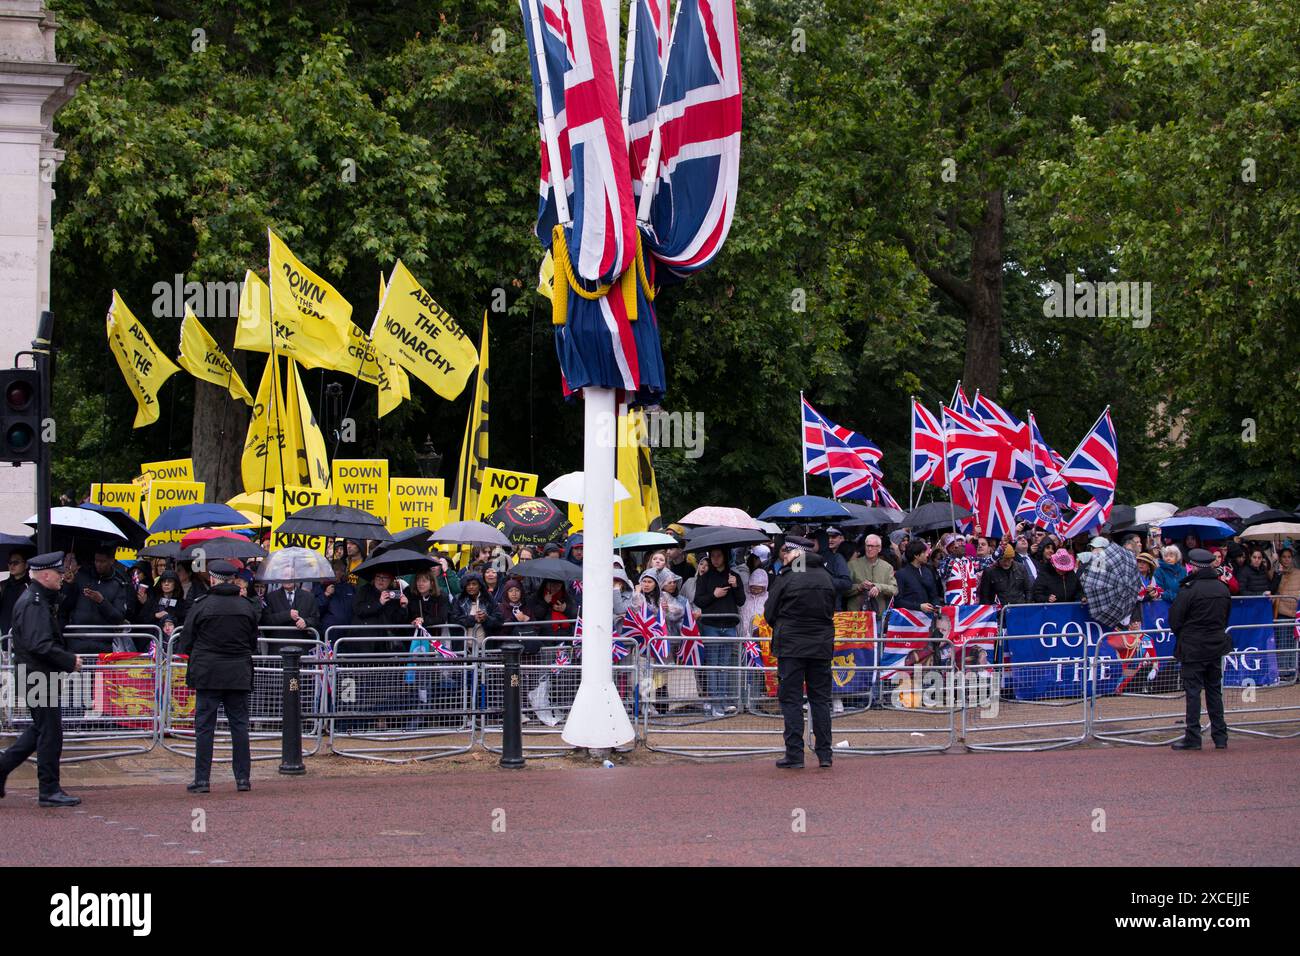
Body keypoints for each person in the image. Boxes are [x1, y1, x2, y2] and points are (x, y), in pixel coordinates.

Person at [0, 552, 83, 807]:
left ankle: (2, 769)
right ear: (45, 575)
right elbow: (40, 644)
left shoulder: (38, 599)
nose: (61, 577)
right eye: (58, 574)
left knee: (41, 729)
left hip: (37, 674)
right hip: (38, 674)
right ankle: (48, 789)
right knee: (50, 733)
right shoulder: (34, 603)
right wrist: (69, 661)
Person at [177, 560, 260, 791]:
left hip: (208, 673)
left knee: (205, 727)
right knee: (239, 726)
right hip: (237, 673)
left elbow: (185, 642)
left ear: (212, 579)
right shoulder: (246, 607)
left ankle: (202, 780)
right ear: (233, 580)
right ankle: (242, 779)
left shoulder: (201, 605)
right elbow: (252, 642)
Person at [764, 537, 837, 770]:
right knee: (820, 701)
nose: (783, 555)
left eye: (787, 552)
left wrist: (785, 626)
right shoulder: (826, 576)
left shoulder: (787, 577)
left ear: (796, 554)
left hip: (791, 647)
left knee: (792, 700)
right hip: (820, 646)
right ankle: (825, 754)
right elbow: (831, 609)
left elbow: (769, 612)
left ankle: (795, 755)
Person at [1168, 548, 1231, 751]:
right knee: (1214, 692)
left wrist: (1186, 635)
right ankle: (1220, 737)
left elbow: (1175, 620)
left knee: (1193, 693)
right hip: (1215, 645)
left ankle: (1193, 737)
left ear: (1194, 567)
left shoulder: (1189, 590)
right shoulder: (1222, 589)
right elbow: (1225, 617)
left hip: (1193, 648)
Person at [693, 547, 743, 717]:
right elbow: (698, 600)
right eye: (712, 556)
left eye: (718, 555)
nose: (715, 559)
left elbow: (741, 600)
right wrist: (714, 595)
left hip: (729, 626)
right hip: (711, 626)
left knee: (725, 666)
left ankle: (723, 700)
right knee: (713, 665)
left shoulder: (734, 576)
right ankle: (714, 703)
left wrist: (735, 586)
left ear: (725, 556)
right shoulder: (705, 576)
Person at [61, 547, 132, 653]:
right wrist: (68, 585)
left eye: (102, 561)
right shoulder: (81, 577)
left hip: (103, 644)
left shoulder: (118, 584)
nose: (98, 564)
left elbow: (118, 618)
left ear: (111, 561)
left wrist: (102, 602)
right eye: (96, 560)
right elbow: (65, 606)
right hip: (77, 641)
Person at [847, 534, 897, 614]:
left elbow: (894, 590)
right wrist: (859, 587)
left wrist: (878, 587)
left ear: (879, 549)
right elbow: (844, 590)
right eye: (868, 546)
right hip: (856, 615)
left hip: (878, 614)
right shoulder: (852, 565)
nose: (869, 549)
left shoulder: (887, 567)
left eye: (873, 546)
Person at [895, 540, 940, 612]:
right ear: (916, 555)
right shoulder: (901, 574)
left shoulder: (928, 571)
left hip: (929, 618)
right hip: (910, 619)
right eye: (924, 552)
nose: (927, 555)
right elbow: (898, 601)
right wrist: (919, 607)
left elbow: (934, 595)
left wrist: (936, 606)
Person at [0, 545, 33, 636]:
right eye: (9, 562)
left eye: (16, 562)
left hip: (23, 635)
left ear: (26, 565)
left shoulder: (31, 587)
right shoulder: (2, 585)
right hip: (4, 634)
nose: (12, 565)